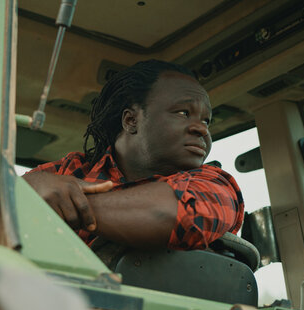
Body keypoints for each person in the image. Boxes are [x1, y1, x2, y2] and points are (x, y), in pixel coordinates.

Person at [23, 59, 244, 252]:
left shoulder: (216, 185)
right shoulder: (70, 170)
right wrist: (27, 187)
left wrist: (59, 201)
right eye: (183, 113)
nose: (202, 129)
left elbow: (174, 215)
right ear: (131, 120)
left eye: (206, 120)